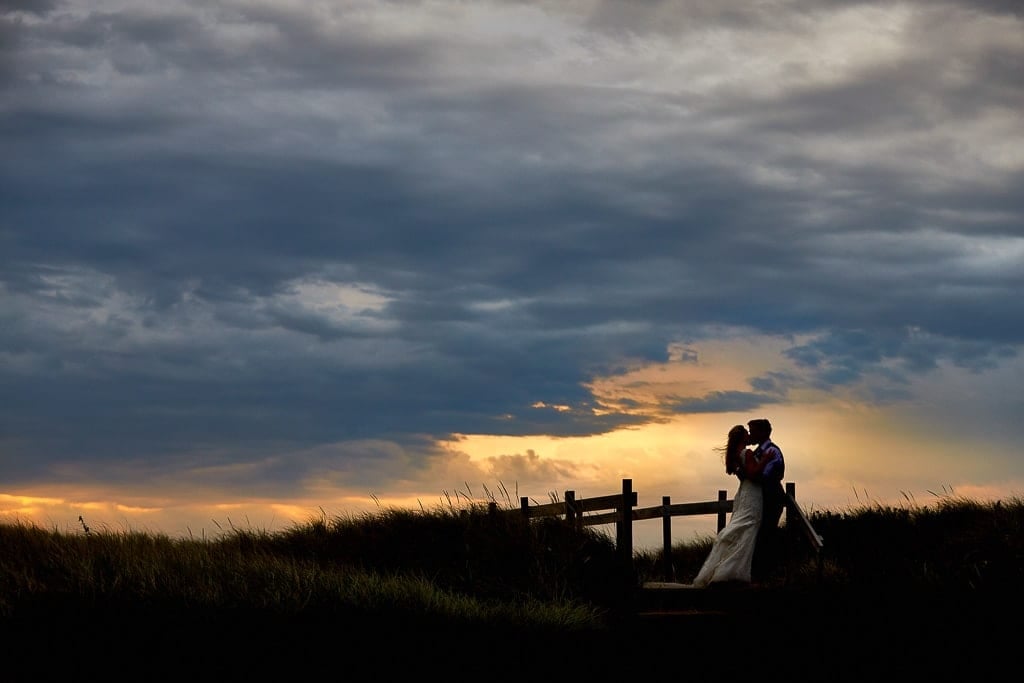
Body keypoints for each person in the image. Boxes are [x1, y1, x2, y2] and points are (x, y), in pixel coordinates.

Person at [691, 425, 764, 587]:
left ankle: (732, 569)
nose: (750, 435)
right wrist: (765, 460)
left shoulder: (735, 456)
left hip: (743, 493)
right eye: (747, 433)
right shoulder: (747, 453)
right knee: (749, 527)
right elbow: (753, 474)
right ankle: (732, 572)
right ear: (743, 437)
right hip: (752, 494)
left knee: (742, 528)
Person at [747, 417, 786, 583]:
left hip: (772, 499)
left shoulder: (773, 451)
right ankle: (758, 573)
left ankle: (766, 574)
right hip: (761, 499)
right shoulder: (757, 452)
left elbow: (767, 476)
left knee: (766, 533)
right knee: (759, 535)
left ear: (762, 432)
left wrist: (750, 474)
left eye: (752, 431)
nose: (750, 435)